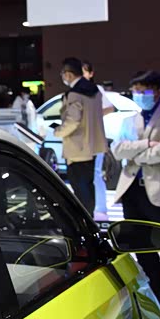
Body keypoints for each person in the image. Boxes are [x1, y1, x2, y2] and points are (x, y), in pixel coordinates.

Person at [112, 70, 160, 297]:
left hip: (157, 190)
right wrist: (146, 145)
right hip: (131, 190)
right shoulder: (130, 119)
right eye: (135, 91)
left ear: (157, 90)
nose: (138, 95)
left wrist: (137, 155)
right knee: (139, 243)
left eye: (143, 90)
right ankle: (156, 287)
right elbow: (117, 149)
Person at [54, 57, 107, 216]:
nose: (63, 77)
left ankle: (84, 221)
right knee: (88, 187)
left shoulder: (75, 94)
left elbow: (73, 121)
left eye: (63, 74)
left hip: (77, 149)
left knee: (80, 189)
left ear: (69, 74)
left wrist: (57, 131)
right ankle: (89, 218)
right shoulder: (95, 91)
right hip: (92, 147)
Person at [82, 60, 116, 222]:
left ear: (91, 74)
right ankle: (88, 207)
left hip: (95, 138)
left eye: (84, 71)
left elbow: (110, 108)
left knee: (95, 173)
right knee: (83, 175)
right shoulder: (76, 91)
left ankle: (100, 209)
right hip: (81, 139)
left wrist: (93, 113)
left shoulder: (96, 89)